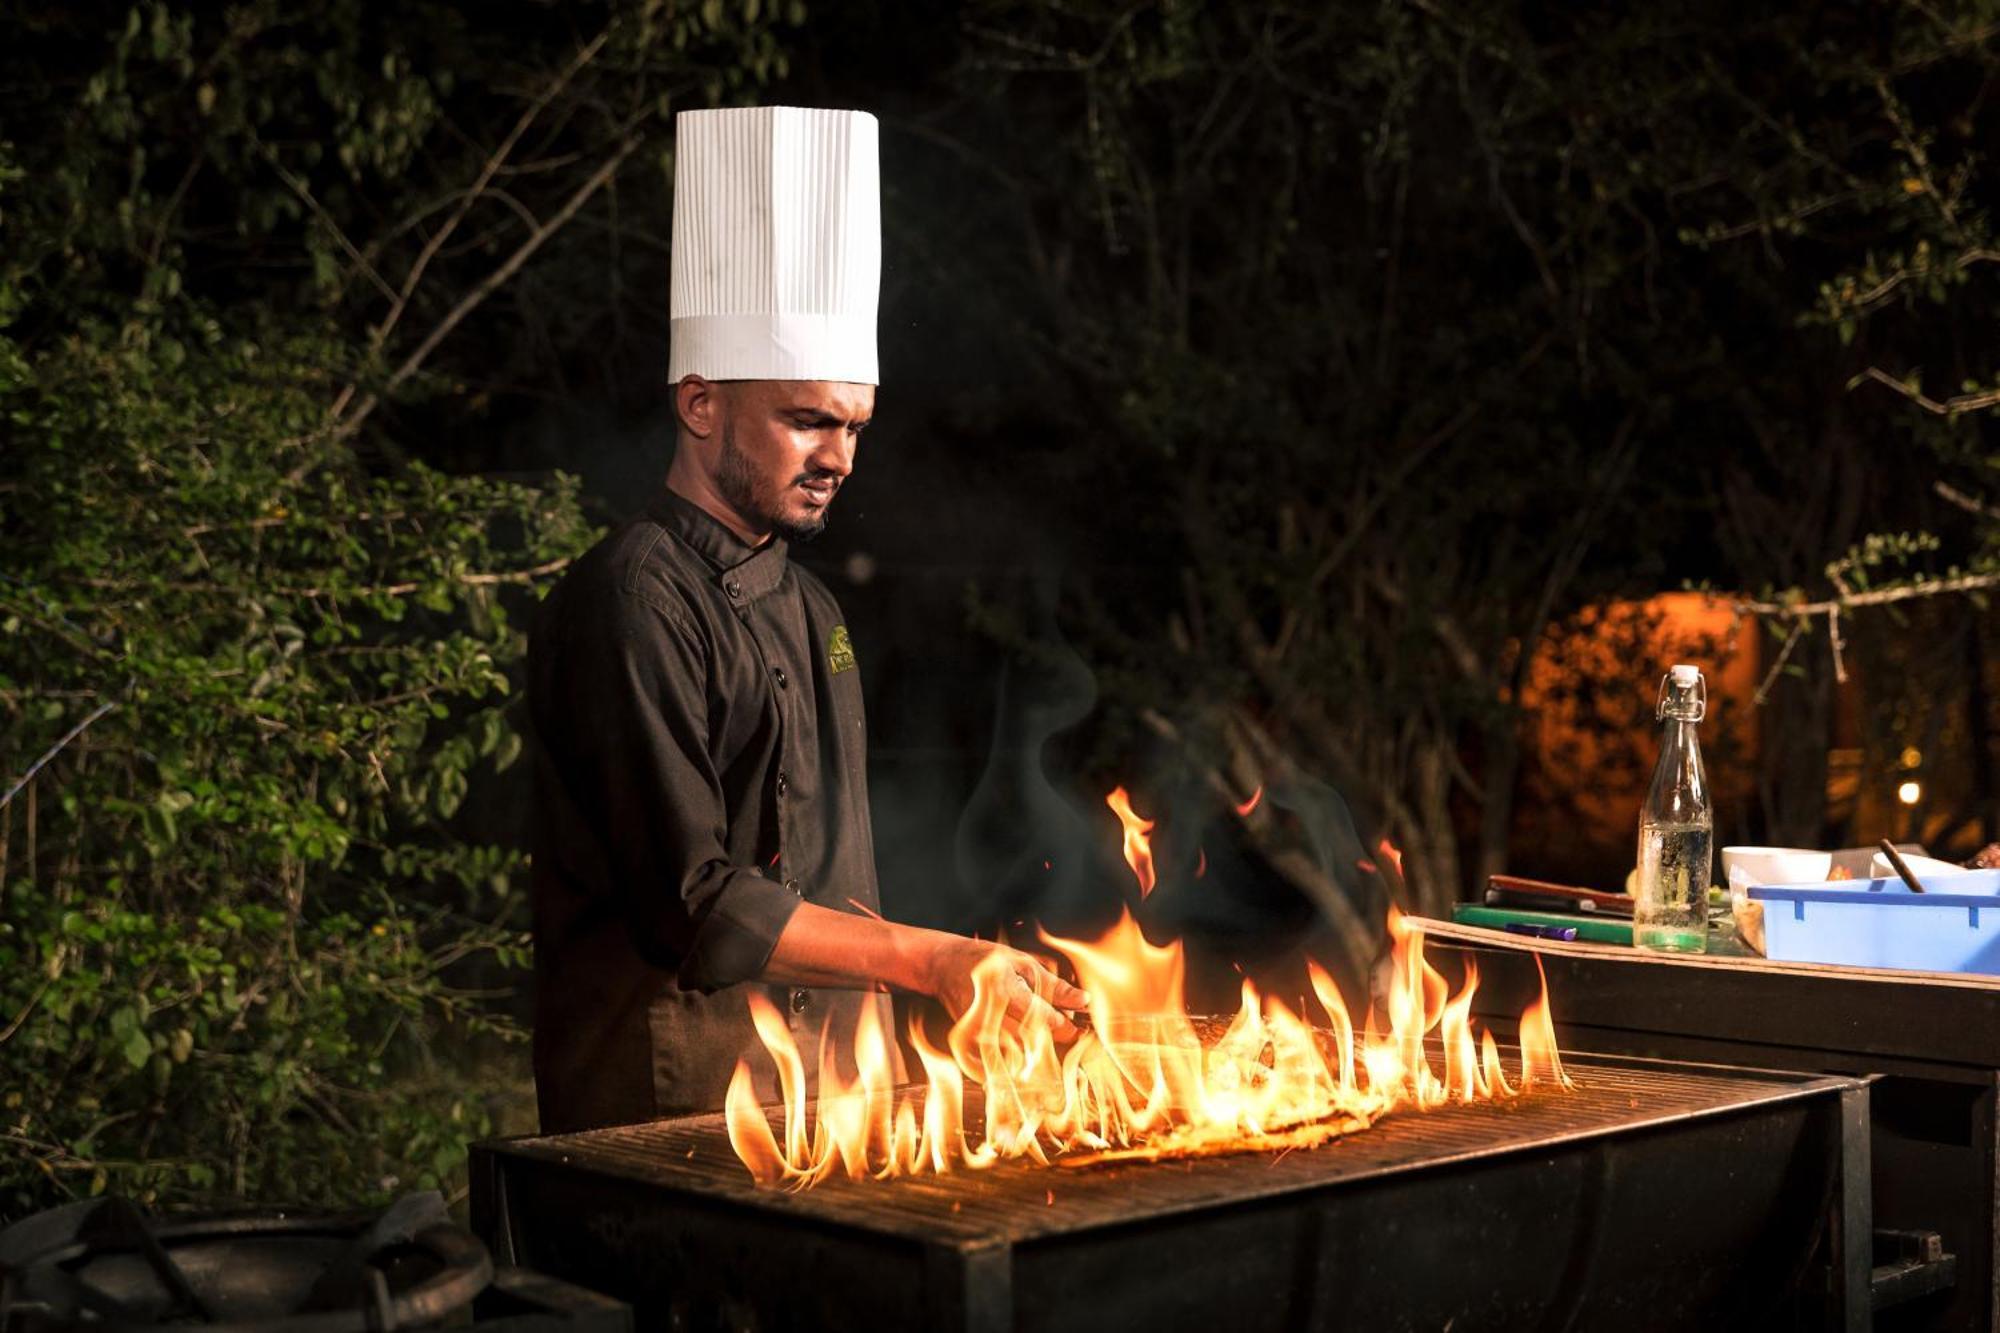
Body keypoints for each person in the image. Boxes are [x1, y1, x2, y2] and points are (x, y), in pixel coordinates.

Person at [527, 106, 1085, 1133]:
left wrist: (925, 1025)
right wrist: (933, 958)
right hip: (669, 1104)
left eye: (854, 425)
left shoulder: (810, 603)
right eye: (805, 420)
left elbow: (837, 871)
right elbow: (689, 902)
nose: (838, 457)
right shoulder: (631, 599)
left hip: (819, 1097)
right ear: (701, 403)